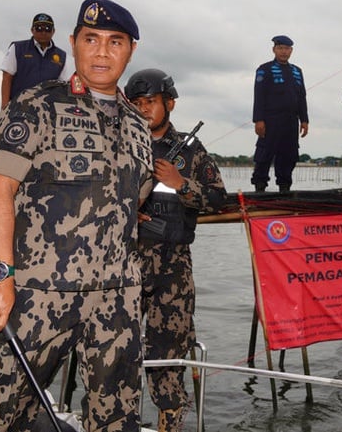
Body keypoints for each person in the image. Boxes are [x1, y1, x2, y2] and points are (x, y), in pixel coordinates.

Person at [0, 0, 153, 431]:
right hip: (41, 292)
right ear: (73, 43)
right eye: (91, 39)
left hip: (119, 297)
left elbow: (135, 199)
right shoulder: (36, 104)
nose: (102, 52)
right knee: (2, 414)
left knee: (117, 418)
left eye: (115, 42)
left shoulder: (138, 123)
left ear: (131, 50)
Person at [124, 68, 226, 431]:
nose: (142, 109)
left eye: (149, 102)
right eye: (135, 104)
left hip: (172, 268)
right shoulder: (118, 144)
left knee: (168, 354)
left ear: (169, 103)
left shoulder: (191, 150)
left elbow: (217, 199)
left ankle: (170, 423)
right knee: (117, 353)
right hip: (122, 267)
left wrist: (181, 184)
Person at [251, 35, 309, 194]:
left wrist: (304, 120)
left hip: (291, 121)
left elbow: (302, 97)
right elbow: (259, 95)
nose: (284, 52)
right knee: (264, 154)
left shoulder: (297, 71)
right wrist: (258, 119)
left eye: (287, 49)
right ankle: (260, 186)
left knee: (289, 155)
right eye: (280, 48)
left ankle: (285, 187)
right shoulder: (265, 69)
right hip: (270, 120)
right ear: (274, 50)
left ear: (291, 50)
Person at [0, 13, 69, 109]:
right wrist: (4, 106)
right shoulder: (17, 48)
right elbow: (7, 76)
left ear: (53, 31)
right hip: (18, 107)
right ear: (32, 30)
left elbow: (63, 85)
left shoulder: (62, 56)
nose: (43, 32)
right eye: (39, 28)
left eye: (47, 28)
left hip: (47, 111)